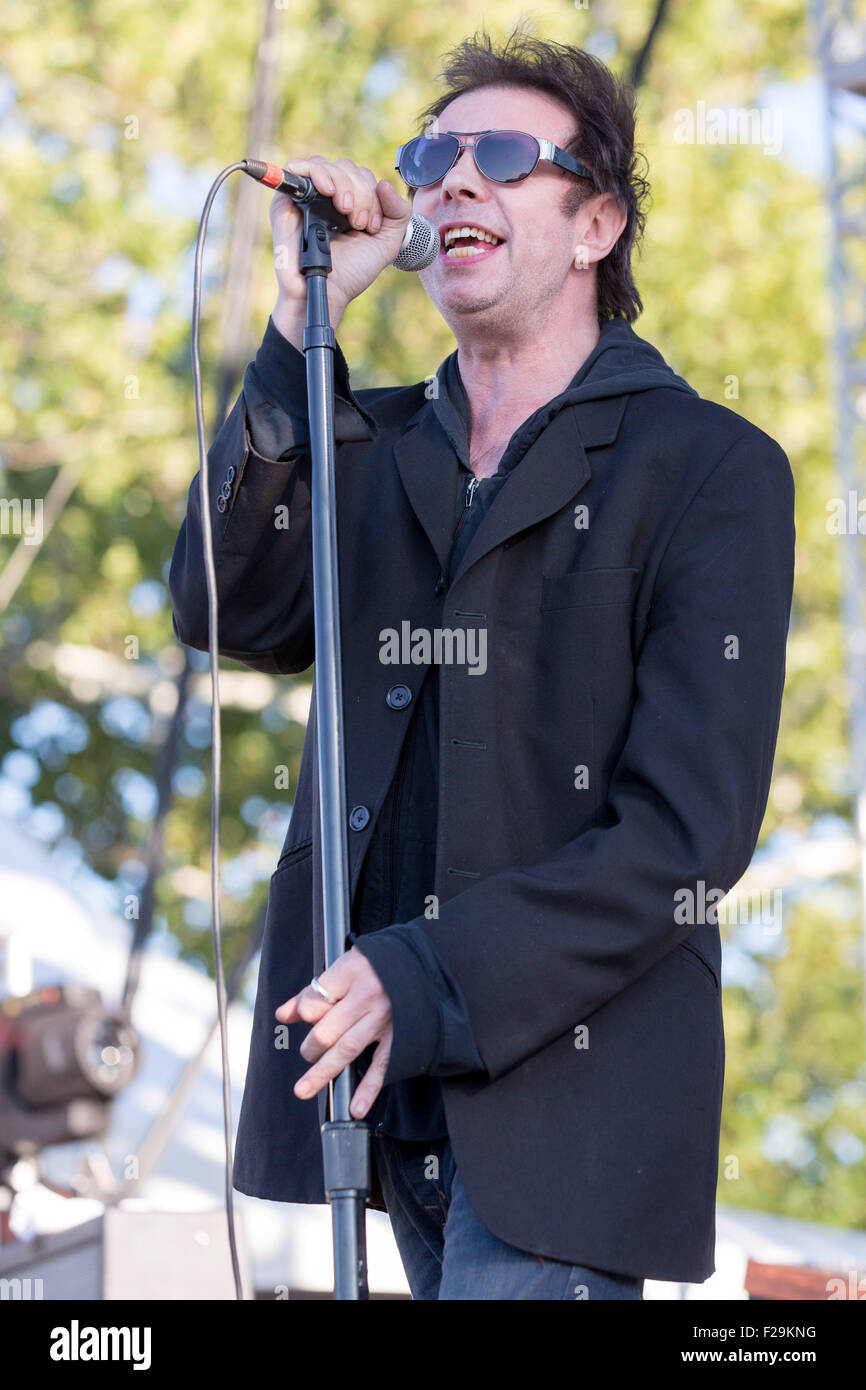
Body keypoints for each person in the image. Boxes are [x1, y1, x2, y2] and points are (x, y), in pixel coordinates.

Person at [169, 29, 795, 1300]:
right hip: (382, 1111)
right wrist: (301, 331)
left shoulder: (705, 467)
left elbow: (683, 834)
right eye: (430, 157)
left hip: (572, 1118)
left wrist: (428, 970)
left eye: (501, 155)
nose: (452, 180)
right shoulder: (375, 438)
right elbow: (226, 608)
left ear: (595, 224)